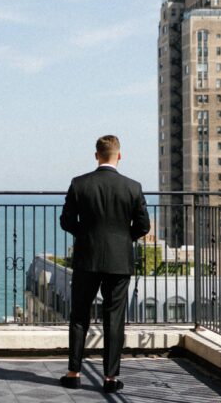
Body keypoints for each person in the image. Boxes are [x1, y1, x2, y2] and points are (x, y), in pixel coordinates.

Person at [58, 134, 150, 393]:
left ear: (96, 155)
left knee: (79, 316)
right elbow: (143, 226)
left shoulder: (79, 183)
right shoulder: (133, 187)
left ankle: (73, 373)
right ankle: (110, 378)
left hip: (87, 258)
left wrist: (85, 235)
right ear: (119, 155)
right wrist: (123, 239)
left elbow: (65, 221)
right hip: (119, 261)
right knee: (114, 318)